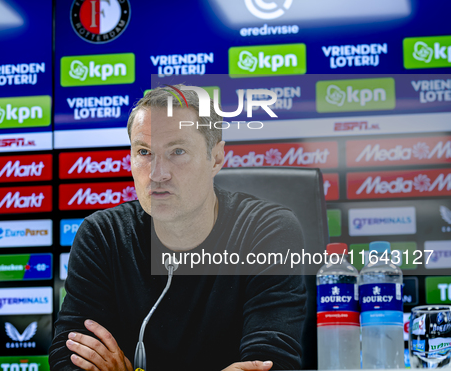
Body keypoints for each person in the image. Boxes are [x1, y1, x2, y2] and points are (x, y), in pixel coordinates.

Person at [49, 85, 307, 371]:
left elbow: (271, 362)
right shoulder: (103, 235)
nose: (158, 174)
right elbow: (70, 358)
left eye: (178, 151)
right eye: (144, 152)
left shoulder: (266, 230)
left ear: (216, 158)